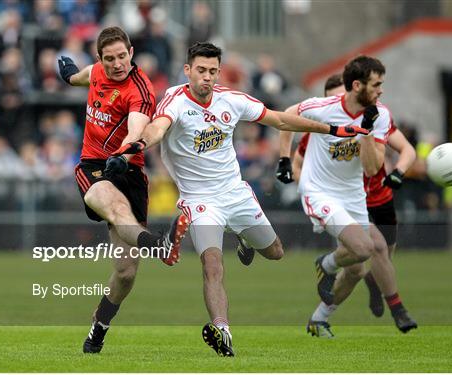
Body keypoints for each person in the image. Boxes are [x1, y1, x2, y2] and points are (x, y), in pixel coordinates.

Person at [112, 42, 370, 357]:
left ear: (218, 72)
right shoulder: (176, 101)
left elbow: (281, 120)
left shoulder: (232, 100)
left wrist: (332, 128)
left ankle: (244, 238)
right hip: (199, 200)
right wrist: (138, 145)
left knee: (275, 252)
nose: (207, 77)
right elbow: (157, 128)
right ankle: (223, 331)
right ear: (188, 70)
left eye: (212, 71)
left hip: (235, 194)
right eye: (201, 70)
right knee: (212, 264)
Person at [57, 26, 189, 354]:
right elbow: (87, 75)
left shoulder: (140, 90)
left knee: (126, 273)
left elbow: (136, 128)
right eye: (109, 58)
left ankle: (98, 327)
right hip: (93, 167)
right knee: (114, 207)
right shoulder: (99, 70)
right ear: (101, 58)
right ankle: (160, 245)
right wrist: (71, 76)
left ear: (130, 52)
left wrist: (125, 153)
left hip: (127, 169)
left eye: (121, 56)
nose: (116, 64)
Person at [277, 58, 418, 337]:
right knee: (367, 248)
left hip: (354, 195)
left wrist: (366, 130)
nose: (381, 91)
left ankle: (318, 318)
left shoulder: (380, 115)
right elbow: (284, 117)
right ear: (357, 85)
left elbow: (369, 168)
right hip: (319, 191)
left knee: (355, 269)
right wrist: (284, 159)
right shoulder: (323, 108)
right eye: (376, 85)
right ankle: (330, 266)